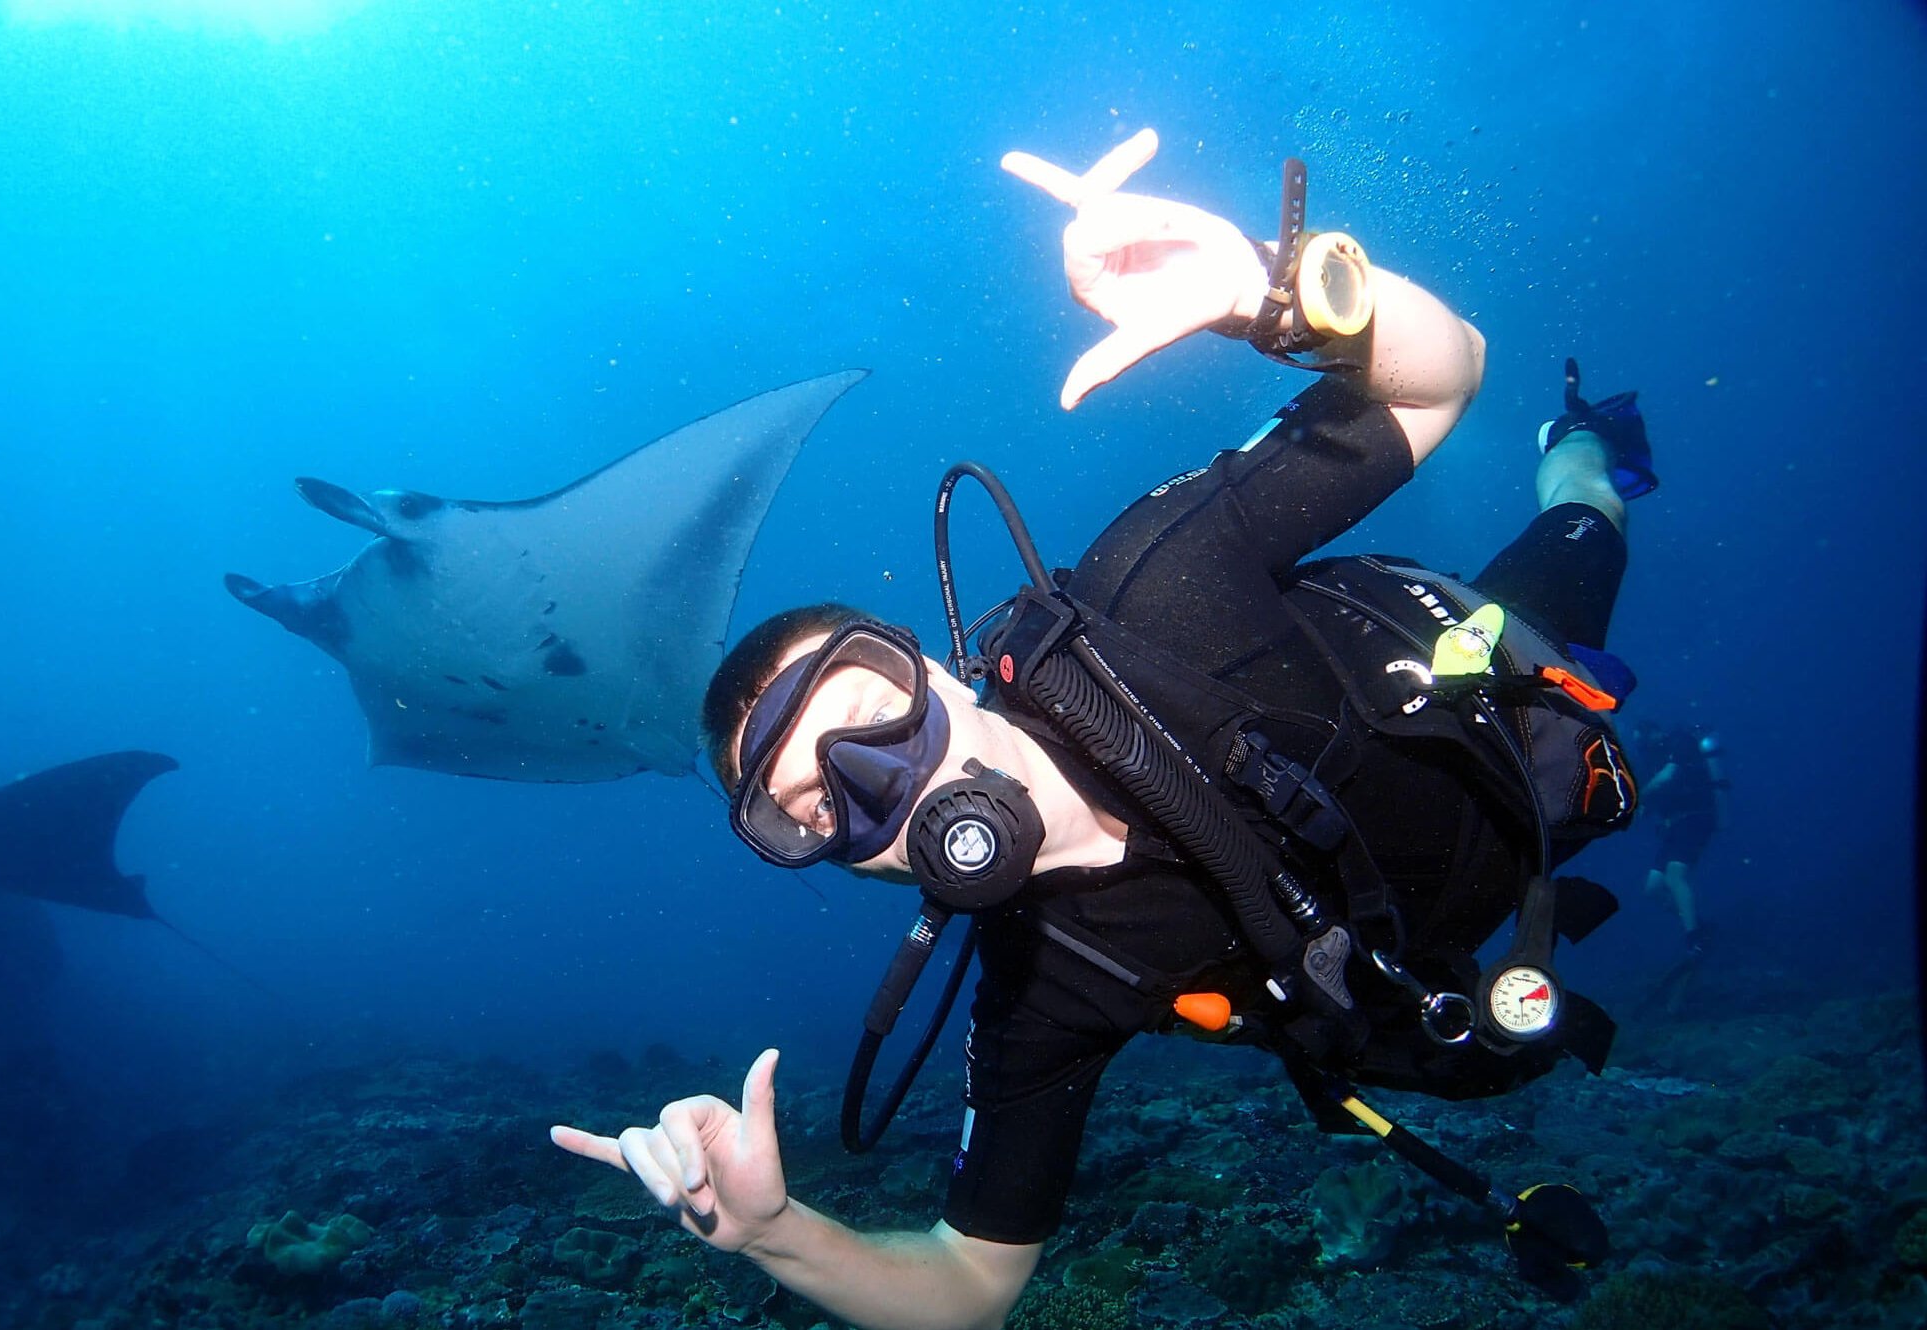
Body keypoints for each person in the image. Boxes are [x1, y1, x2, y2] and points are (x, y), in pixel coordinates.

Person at [550, 128, 1655, 1330]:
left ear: (939, 668)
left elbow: (1441, 374)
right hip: (1446, 943)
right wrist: (773, 1230)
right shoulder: (1046, 987)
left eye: (871, 718)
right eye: (813, 811)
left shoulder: (1159, 586)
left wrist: (1269, 295)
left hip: (1502, 703)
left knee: (1585, 520)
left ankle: (1580, 447)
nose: (885, 789)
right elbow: (968, 1284)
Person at [1635, 720, 1728, 955]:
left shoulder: (1680, 743)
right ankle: (1700, 925)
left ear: (1654, 732)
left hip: (1696, 818)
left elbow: (1668, 776)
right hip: (1674, 825)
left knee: (1676, 874)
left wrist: (1640, 797)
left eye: (1644, 738)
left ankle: (1695, 938)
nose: (1643, 744)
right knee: (1653, 888)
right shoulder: (1653, 759)